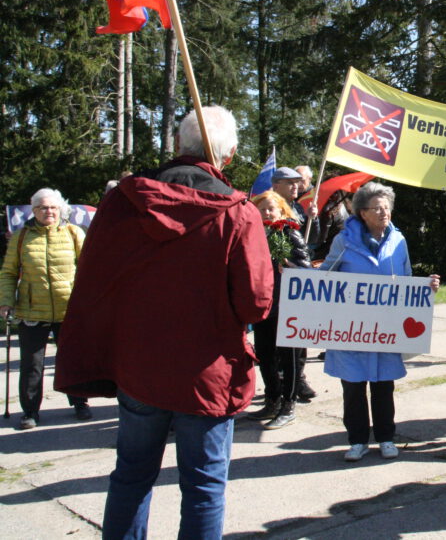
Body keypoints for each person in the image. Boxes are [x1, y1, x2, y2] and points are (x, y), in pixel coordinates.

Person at [54, 106, 274, 539]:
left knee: (131, 476)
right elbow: (256, 303)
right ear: (226, 157)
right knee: (204, 486)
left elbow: (94, 276)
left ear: (177, 146)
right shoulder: (237, 213)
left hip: (139, 367)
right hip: (205, 372)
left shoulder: (122, 202)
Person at [321, 182, 439, 461]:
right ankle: (357, 441)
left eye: (387, 207)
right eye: (377, 207)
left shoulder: (399, 239)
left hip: (386, 328)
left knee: (384, 387)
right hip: (352, 329)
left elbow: (407, 278)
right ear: (362, 213)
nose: (384, 212)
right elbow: (325, 275)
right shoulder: (344, 240)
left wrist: (427, 287)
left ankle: (386, 438)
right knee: (353, 387)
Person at [0, 188, 90, 429]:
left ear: (60, 209)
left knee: (72, 359)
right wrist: (6, 301)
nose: (48, 211)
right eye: (42, 207)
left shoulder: (74, 233)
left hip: (68, 309)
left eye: (52, 207)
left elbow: (87, 270)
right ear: (34, 210)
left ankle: (80, 403)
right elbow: (8, 273)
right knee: (31, 364)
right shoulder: (21, 237)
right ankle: (30, 412)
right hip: (31, 310)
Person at [248, 190, 311, 429]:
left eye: (271, 209)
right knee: (265, 356)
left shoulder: (289, 233)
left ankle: (288, 405)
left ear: (281, 211)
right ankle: (271, 400)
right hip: (264, 305)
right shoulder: (253, 234)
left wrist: (292, 267)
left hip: (288, 306)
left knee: (290, 358)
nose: (266, 213)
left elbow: (306, 268)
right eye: (262, 209)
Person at [272, 166, 320, 400]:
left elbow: (313, 239)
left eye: (297, 182)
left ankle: (298, 379)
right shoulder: (268, 207)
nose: (295, 186)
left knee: (299, 334)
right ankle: (279, 385)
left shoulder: (298, 209)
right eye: (289, 182)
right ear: (275, 185)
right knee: (275, 337)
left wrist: (314, 218)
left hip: (299, 278)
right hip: (277, 280)